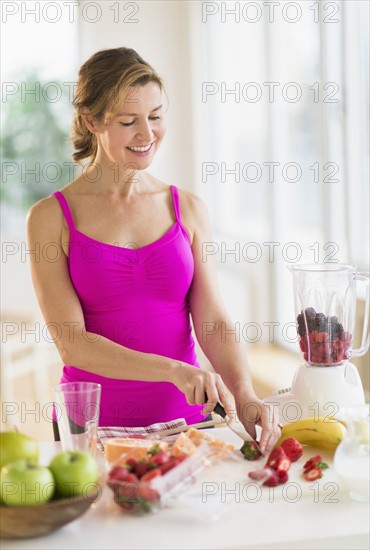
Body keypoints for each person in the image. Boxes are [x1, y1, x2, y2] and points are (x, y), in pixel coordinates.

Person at [27, 47, 280, 454]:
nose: (147, 135)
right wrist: (173, 371)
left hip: (189, 424)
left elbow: (212, 318)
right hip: (93, 432)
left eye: (156, 116)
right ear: (92, 121)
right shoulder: (50, 218)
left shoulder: (188, 209)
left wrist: (245, 392)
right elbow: (72, 342)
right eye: (128, 122)